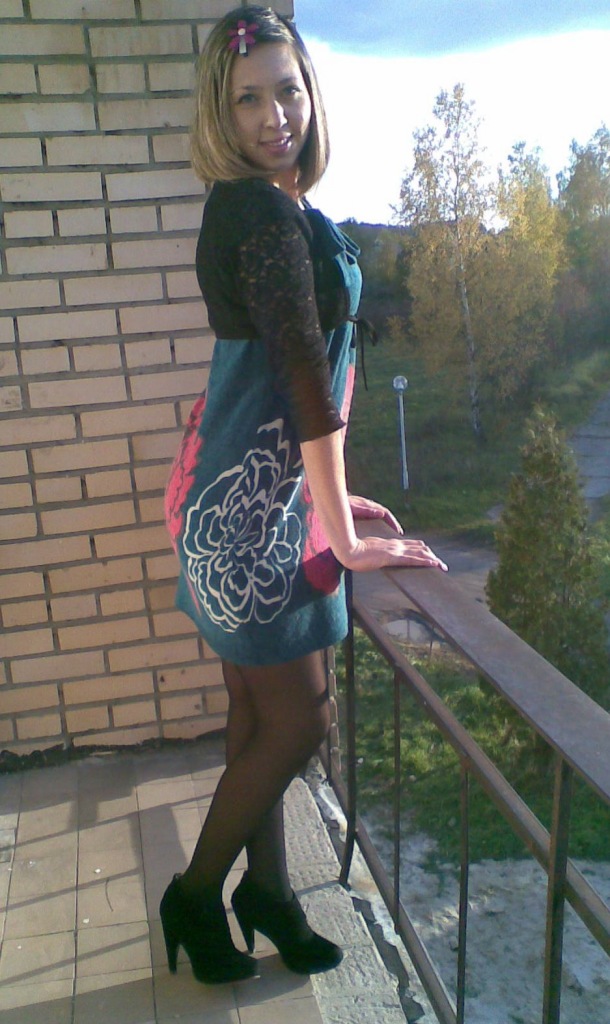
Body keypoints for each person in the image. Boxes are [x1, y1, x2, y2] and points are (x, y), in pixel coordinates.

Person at [161, 5, 447, 987]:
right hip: (251, 523)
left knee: (256, 712)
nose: (273, 115)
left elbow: (304, 386)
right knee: (301, 720)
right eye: (248, 99)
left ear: (312, 94)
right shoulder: (259, 214)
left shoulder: (268, 208)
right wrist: (338, 528)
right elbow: (301, 377)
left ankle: (271, 895)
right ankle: (196, 891)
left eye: (288, 91)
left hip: (242, 504)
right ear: (221, 112)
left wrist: (332, 500)